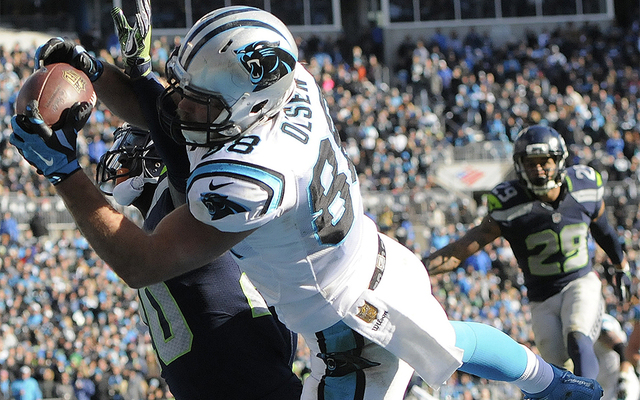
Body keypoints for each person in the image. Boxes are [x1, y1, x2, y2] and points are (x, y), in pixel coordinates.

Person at [12, 5, 605, 400]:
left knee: (437, 353)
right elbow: (171, 111)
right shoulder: (288, 87)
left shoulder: (246, 177)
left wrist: (64, 171)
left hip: (346, 333)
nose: (184, 107)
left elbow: (140, 262)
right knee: (455, 341)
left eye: (201, 103)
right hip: (381, 263)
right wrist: (102, 71)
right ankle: (557, 386)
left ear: (248, 106)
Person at [95, 124, 303, 399]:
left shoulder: (177, 197)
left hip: (252, 378)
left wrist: (144, 84)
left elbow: (177, 156)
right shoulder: (151, 227)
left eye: (133, 143)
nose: (118, 158)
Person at [426, 125, 629, 380]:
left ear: (558, 160)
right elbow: (460, 251)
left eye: (544, 162)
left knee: (577, 336)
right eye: (530, 163)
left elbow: (604, 231)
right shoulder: (509, 204)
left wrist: (622, 266)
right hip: (541, 298)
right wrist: (418, 268)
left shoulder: (584, 187)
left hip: (580, 281)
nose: (538, 169)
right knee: (558, 371)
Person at [594, 313, 640, 400]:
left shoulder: (601, 320)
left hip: (617, 385)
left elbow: (621, 348)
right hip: (603, 386)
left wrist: (623, 378)